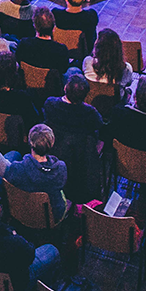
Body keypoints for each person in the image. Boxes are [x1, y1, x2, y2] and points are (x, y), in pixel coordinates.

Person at [45, 73, 106, 204]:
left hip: (54, 151)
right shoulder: (90, 113)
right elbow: (101, 128)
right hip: (80, 160)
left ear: (65, 88)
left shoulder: (50, 104)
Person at [2, 124, 70, 224]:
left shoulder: (17, 169)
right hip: (52, 216)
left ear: (30, 142)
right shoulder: (60, 169)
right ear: (52, 143)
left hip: (22, 212)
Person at [83, 29, 136, 107]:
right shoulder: (126, 68)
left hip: (91, 101)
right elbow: (129, 83)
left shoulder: (88, 61)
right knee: (128, 91)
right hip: (114, 105)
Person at [15, 10, 72, 81]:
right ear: (54, 28)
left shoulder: (23, 44)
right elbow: (64, 70)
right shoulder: (61, 50)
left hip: (27, 83)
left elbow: (18, 60)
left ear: (34, 26)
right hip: (53, 87)